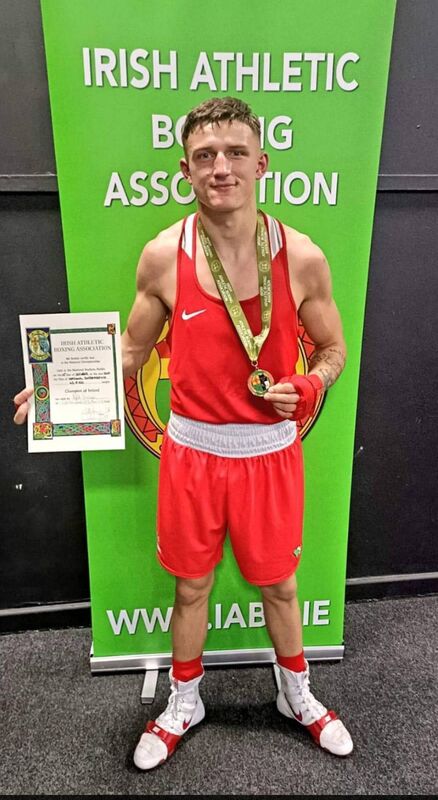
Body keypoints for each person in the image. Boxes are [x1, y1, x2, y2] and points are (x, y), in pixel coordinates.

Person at [14, 96, 353, 769]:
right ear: (185, 170)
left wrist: (310, 385)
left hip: (269, 454)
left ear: (261, 162)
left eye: (233, 153)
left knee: (281, 587)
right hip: (194, 452)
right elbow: (134, 353)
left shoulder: (304, 256)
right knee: (190, 588)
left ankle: (298, 694)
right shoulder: (163, 256)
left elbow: (334, 350)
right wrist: (57, 387)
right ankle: (184, 699)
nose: (220, 166)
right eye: (205, 156)